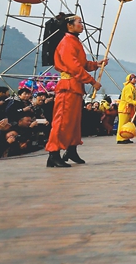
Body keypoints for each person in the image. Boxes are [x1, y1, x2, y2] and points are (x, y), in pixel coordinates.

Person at [44, 14, 105, 167]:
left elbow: (82, 64)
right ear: (69, 25)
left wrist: (95, 65)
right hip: (68, 86)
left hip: (75, 87)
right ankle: (53, 153)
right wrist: (92, 81)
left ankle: (71, 149)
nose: (82, 25)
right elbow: (74, 67)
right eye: (79, 22)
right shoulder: (66, 42)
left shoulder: (74, 41)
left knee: (74, 122)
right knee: (62, 121)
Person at [117, 74, 136, 144]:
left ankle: (126, 137)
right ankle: (120, 138)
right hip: (124, 108)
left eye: (135, 78)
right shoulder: (128, 87)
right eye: (134, 78)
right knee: (122, 124)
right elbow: (128, 99)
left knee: (127, 124)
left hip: (129, 109)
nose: (135, 79)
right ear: (130, 79)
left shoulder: (133, 87)